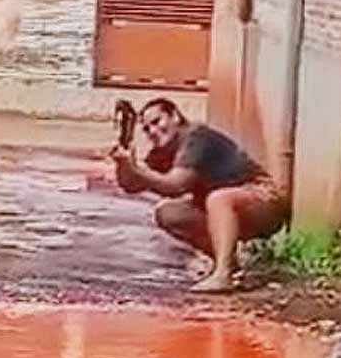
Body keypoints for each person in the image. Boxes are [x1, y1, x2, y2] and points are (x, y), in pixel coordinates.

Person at [111, 98, 289, 293]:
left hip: (265, 202)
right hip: (228, 211)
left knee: (218, 199)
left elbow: (176, 185)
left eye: (157, 122)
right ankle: (230, 265)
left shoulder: (197, 137)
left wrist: (136, 170)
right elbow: (130, 186)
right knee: (169, 213)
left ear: (175, 117)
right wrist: (123, 162)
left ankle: (223, 274)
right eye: (146, 129)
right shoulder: (162, 151)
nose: (153, 131)